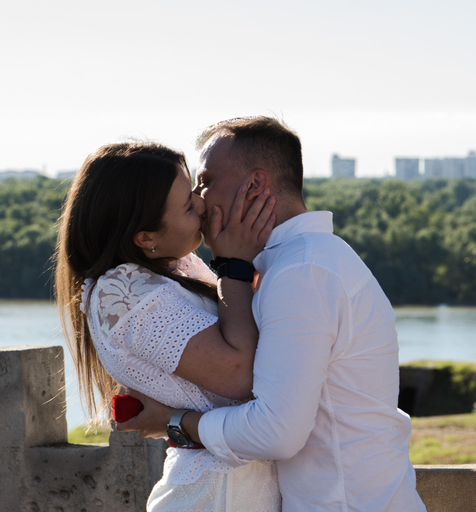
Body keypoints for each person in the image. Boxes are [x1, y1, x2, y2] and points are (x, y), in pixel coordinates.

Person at [117, 117, 427, 511]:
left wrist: (175, 422)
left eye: (206, 180)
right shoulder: (295, 264)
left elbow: (276, 432)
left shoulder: (302, 273)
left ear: (254, 186)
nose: (197, 198)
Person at [54, 142, 281, 511]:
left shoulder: (177, 267)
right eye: (189, 206)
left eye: (195, 191)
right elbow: (240, 375)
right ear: (145, 238)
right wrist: (232, 263)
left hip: (240, 486)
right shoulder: (121, 292)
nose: (203, 204)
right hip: (214, 495)